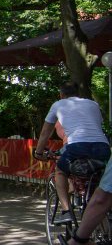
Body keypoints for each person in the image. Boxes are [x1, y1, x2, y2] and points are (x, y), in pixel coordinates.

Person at [33, 82, 111, 225]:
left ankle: (66, 211)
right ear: (77, 94)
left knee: (60, 171)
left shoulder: (58, 105)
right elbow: (97, 124)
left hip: (77, 145)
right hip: (102, 146)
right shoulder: (93, 104)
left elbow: (46, 132)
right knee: (100, 175)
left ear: (61, 95)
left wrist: (38, 152)